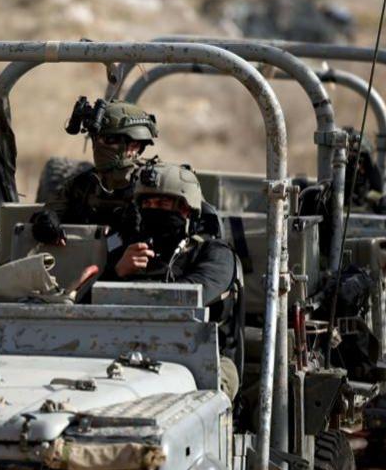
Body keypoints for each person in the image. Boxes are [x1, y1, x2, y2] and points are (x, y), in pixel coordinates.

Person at [102, 162, 239, 399]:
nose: (153, 209)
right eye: (147, 203)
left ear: (187, 209)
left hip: (201, 357)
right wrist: (116, 273)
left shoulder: (214, 254)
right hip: (124, 350)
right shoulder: (128, 251)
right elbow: (87, 305)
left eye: (163, 203)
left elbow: (189, 297)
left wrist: (130, 287)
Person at [30, 98, 159, 245]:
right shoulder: (81, 185)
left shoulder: (154, 186)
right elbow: (51, 212)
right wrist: (47, 222)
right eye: (96, 138)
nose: (99, 145)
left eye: (109, 139)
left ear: (134, 146)